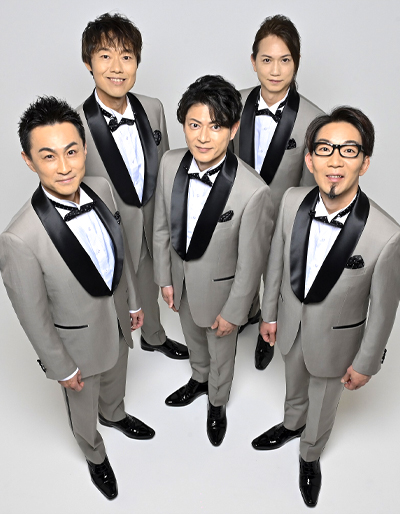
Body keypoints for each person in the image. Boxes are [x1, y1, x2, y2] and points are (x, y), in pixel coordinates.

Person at [0, 97, 156, 500]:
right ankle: (94, 453)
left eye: (71, 152)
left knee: (117, 376)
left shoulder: (101, 188)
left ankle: (115, 413)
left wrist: (133, 302)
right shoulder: (18, 239)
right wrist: (61, 367)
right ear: (28, 161)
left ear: (84, 149)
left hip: (118, 318)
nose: (64, 166)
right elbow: (32, 316)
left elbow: (121, 252)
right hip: (76, 347)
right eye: (48, 156)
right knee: (82, 409)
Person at [252, 106, 400, 507]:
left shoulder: (387, 236)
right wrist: (269, 314)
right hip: (290, 323)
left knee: (322, 402)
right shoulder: (290, 201)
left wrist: (366, 363)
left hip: (337, 342)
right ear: (309, 160)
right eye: (324, 149)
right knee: (293, 381)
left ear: (364, 163)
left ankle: (310, 453)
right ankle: (290, 424)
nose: (335, 161)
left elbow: (384, 309)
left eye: (348, 150)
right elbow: (276, 262)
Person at [153, 75, 274, 446]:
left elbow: (251, 264)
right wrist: (165, 278)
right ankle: (198, 378)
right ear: (184, 126)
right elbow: (161, 226)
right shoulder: (169, 163)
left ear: (233, 129)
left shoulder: (253, 191)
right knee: (192, 337)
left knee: (222, 353)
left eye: (216, 126)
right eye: (194, 125)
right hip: (181, 282)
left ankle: (217, 402)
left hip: (223, 295)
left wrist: (235, 312)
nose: (203, 137)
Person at [77, 12, 188, 360]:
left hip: (154, 218)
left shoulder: (153, 108)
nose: (117, 67)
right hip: (111, 225)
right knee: (116, 291)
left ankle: (154, 336)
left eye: (126, 56)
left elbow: (166, 165)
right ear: (88, 63)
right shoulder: (76, 124)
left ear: (137, 62)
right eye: (105, 56)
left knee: (151, 278)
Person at [232, 14, 323, 371]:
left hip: (280, 219)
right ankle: (246, 312)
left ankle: (266, 332)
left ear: (296, 63)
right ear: (253, 61)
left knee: (275, 279)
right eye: (266, 59)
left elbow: (307, 189)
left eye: (284, 60)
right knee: (238, 268)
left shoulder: (314, 120)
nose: (274, 70)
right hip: (236, 214)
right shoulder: (232, 103)